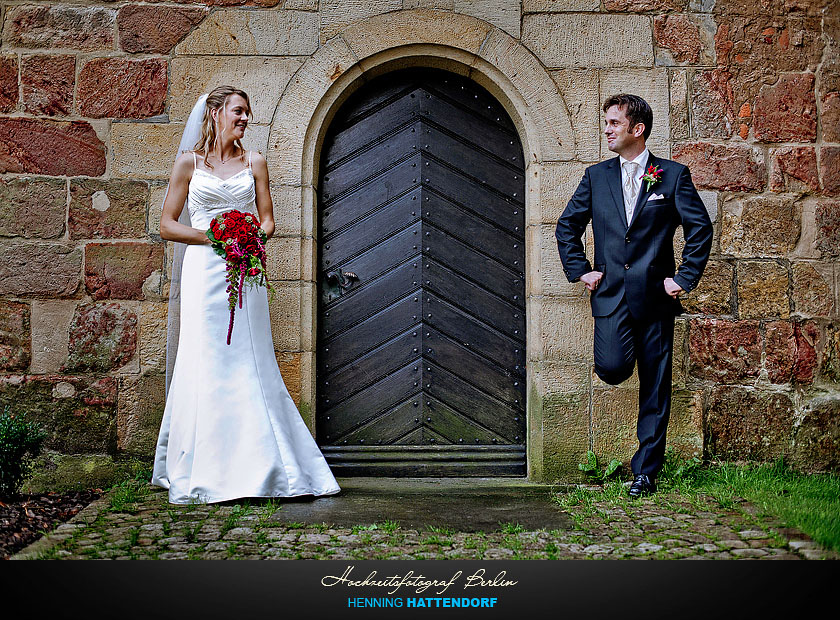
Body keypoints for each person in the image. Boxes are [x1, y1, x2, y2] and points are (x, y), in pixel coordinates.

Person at [151, 86, 340, 504]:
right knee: (207, 357)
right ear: (216, 113)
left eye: (248, 113)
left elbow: (268, 221)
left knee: (249, 356)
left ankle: (268, 465)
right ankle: (203, 466)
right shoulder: (189, 164)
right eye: (238, 111)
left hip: (245, 271)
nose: (245, 119)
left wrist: (249, 239)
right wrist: (215, 236)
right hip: (205, 272)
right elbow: (167, 225)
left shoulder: (255, 162)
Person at [555, 94, 713, 497]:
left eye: (613, 122)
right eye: (606, 123)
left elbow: (700, 230)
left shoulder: (672, 176)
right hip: (610, 295)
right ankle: (618, 368)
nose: (606, 129)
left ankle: (646, 471)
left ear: (636, 129)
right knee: (611, 367)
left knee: (655, 385)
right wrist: (581, 270)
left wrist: (684, 278)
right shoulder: (596, 176)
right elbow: (567, 226)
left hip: (656, 297)